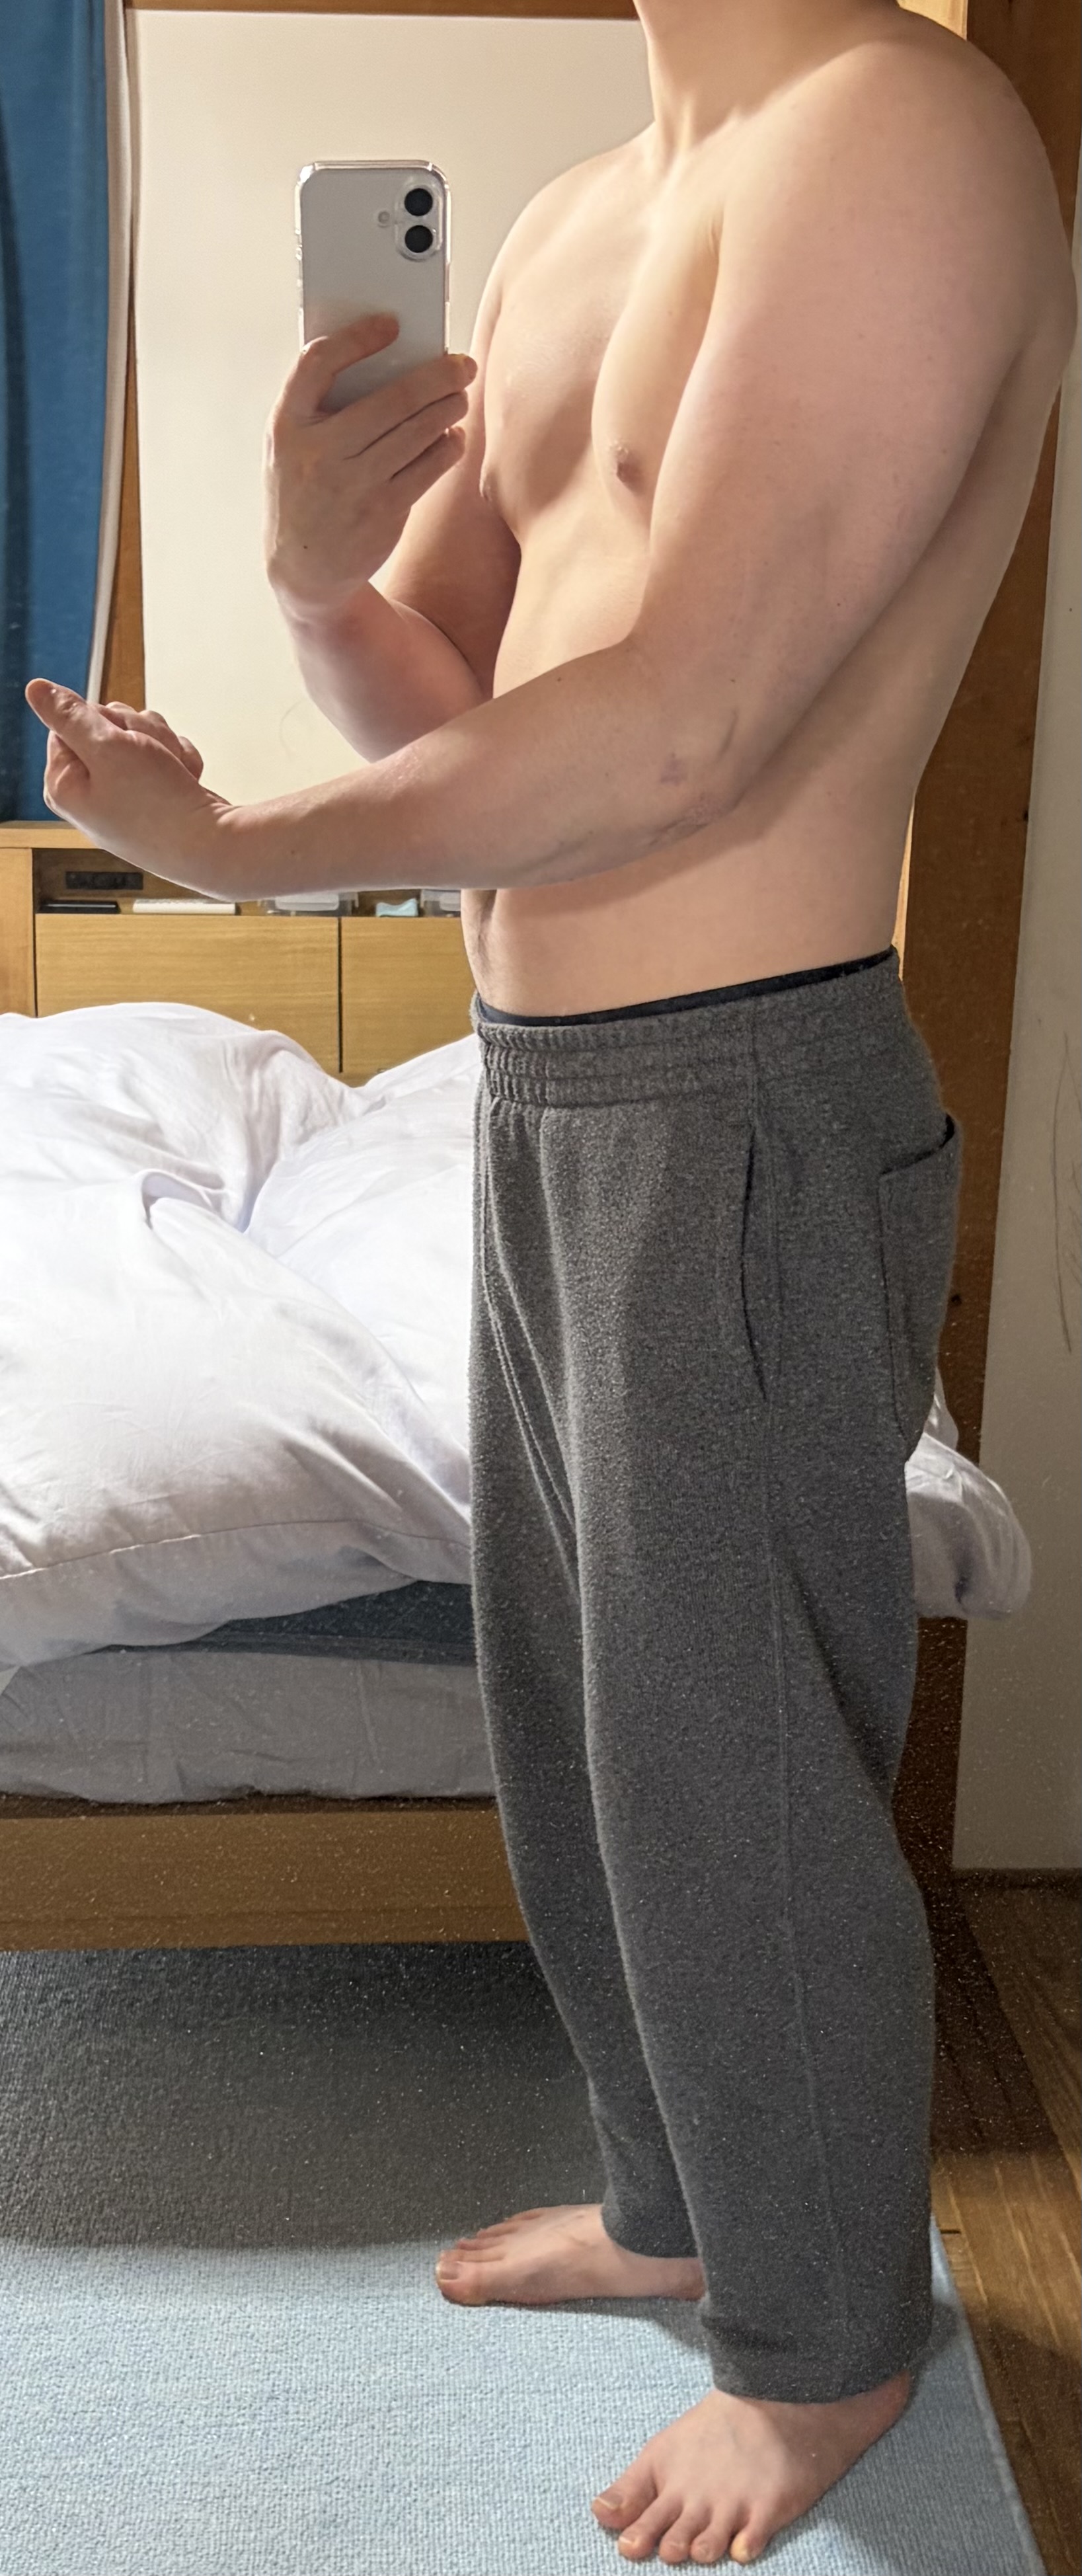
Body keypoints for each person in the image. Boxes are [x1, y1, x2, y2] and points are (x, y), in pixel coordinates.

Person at [26, 0, 1077, 2560]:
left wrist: (239, 853)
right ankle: (691, 2199)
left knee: (731, 1746)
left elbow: (686, 731)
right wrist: (310, 566)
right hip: (543, 1084)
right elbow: (467, 699)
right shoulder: (584, 212)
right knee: (581, 1717)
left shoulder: (897, 137)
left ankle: (824, 2337)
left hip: (741, 1092)